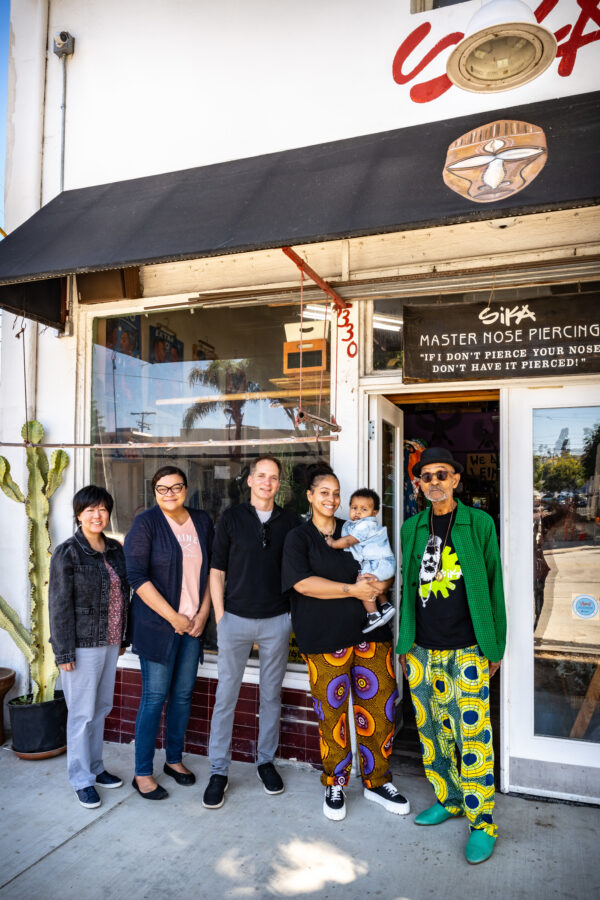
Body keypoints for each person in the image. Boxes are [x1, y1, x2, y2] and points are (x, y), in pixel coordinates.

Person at [397, 446, 506, 865]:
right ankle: (449, 798)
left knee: (473, 737)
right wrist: (406, 645)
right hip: (422, 650)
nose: (435, 482)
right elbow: (407, 588)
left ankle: (482, 822)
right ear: (419, 485)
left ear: (456, 480)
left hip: (468, 650)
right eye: (427, 477)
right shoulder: (413, 528)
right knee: (432, 732)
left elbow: (494, 582)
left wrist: (495, 645)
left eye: (442, 475)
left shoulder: (478, 523)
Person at [282, 464, 410, 822]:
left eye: (337, 493)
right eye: (324, 492)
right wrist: (353, 590)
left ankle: (377, 782)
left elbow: (383, 569)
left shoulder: (354, 528)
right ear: (309, 495)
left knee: (380, 711)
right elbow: (303, 584)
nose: (332, 499)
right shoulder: (299, 538)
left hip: (372, 638)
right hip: (323, 641)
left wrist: (378, 587)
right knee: (332, 718)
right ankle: (335, 782)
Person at [203, 455, 300, 809]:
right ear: (249, 480)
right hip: (236, 620)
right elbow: (216, 570)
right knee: (226, 695)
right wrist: (221, 616)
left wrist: (290, 614)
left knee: (271, 695)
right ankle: (218, 770)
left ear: (279, 484)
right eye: (261, 476)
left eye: (273, 478)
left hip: (277, 620)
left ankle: (265, 761)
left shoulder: (290, 522)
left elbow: (297, 572)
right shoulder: (231, 519)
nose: (267, 482)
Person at [124, 466, 213, 800]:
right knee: (154, 697)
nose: (171, 493)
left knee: (182, 695)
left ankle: (173, 760)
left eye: (177, 487)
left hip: (193, 626)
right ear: (154, 492)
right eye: (163, 489)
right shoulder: (145, 524)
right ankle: (142, 772)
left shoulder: (202, 521)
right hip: (158, 626)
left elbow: (212, 571)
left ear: (186, 489)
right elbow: (136, 576)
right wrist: (173, 617)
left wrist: (203, 613)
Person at [49, 485, 129, 809]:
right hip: (81, 646)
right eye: (90, 510)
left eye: (102, 509)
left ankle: (96, 768)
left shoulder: (114, 549)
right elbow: (58, 605)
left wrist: (124, 637)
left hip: (110, 642)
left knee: (100, 709)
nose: (97, 515)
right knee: (81, 714)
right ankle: (81, 779)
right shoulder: (67, 552)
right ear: (79, 514)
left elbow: (124, 596)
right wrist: (64, 651)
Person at [325, 488, 396, 632]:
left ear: (374, 513)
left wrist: (333, 543)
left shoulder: (366, 525)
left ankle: (373, 615)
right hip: (382, 563)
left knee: (363, 584)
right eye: (354, 508)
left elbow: (348, 541)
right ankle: (385, 606)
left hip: (378, 563)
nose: (357, 512)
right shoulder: (360, 525)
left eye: (364, 509)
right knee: (373, 582)